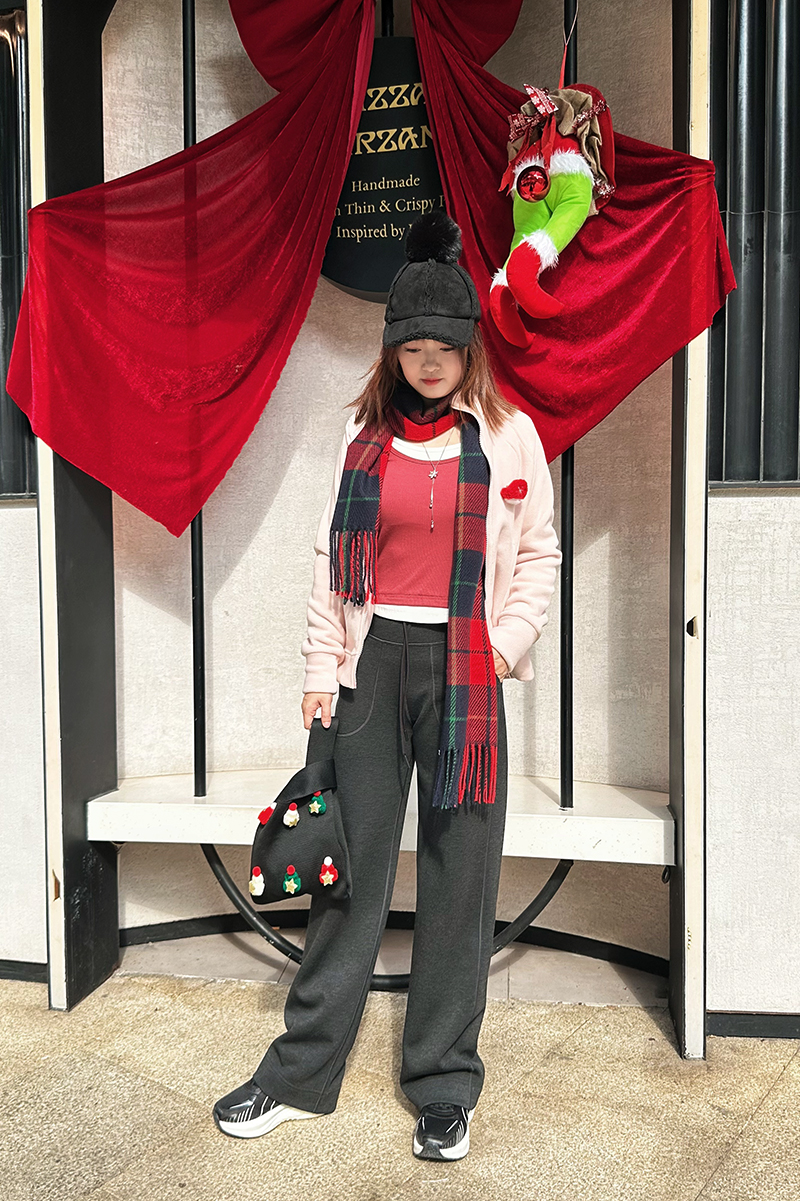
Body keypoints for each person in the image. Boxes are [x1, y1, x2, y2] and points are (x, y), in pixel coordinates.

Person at [213, 212, 562, 1161]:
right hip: (371, 669)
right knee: (349, 871)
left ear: (467, 345)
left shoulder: (511, 437)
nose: (428, 360)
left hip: (465, 673)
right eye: (412, 345)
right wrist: (319, 672)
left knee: (459, 875)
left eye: (442, 343)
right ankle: (300, 1071)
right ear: (393, 350)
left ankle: (444, 1083)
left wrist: (505, 645)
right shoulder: (360, 438)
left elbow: (538, 555)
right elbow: (332, 563)